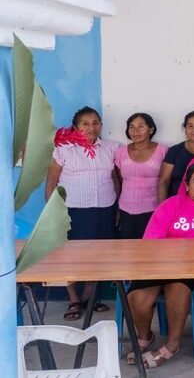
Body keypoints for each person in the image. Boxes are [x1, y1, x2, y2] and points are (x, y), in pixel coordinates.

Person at [128, 162, 194, 368]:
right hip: (161, 263)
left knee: (177, 291)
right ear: (187, 184)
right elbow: (151, 242)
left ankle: (172, 345)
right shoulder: (170, 205)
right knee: (138, 298)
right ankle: (144, 336)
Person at [46, 106, 121, 321]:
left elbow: (116, 179)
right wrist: (52, 213)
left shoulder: (111, 148)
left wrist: (117, 208)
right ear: (76, 127)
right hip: (72, 211)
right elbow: (51, 182)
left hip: (104, 209)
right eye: (85, 124)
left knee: (98, 256)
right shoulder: (63, 150)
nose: (91, 128)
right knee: (69, 255)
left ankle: (90, 295)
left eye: (95, 123)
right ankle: (74, 299)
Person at [114, 112, 168, 239]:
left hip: (153, 209)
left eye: (140, 126)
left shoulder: (163, 151)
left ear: (151, 129)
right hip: (126, 209)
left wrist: (163, 211)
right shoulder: (120, 152)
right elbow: (120, 181)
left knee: (151, 246)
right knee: (127, 246)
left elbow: (166, 181)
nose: (135, 131)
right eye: (131, 127)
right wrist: (117, 210)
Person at [157, 110, 194, 202]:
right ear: (185, 128)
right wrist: (163, 207)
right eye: (190, 126)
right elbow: (164, 181)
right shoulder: (174, 151)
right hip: (177, 204)